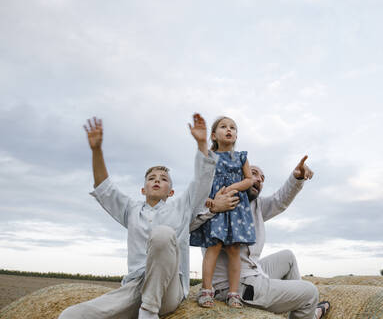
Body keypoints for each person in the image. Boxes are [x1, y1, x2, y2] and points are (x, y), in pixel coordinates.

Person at [59, 114, 218, 319]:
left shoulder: (183, 206)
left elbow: (202, 181)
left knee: (162, 234)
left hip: (168, 290)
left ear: (171, 192)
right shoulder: (131, 210)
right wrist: (97, 150)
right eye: (151, 178)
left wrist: (202, 143)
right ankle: (144, 307)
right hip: (134, 288)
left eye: (163, 179)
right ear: (143, 189)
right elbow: (104, 188)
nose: (156, 181)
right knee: (71, 315)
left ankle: (149, 311)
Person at [190, 156, 330, 319]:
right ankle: (309, 313)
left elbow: (280, 201)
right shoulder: (219, 198)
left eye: (262, 179)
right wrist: (214, 209)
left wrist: (297, 177)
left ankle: (301, 309)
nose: (258, 180)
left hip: (254, 272)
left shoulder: (256, 206)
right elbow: (188, 226)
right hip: (235, 286)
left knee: (288, 257)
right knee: (310, 292)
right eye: (253, 174)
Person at [190, 116, 256, 309]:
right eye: (224, 126)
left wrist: (232, 187)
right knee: (214, 245)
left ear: (236, 136)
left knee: (235, 249)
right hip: (217, 204)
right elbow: (202, 180)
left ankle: (233, 293)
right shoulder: (211, 157)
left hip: (235, 205)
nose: (229, 130)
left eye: (233, 128)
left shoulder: (241, 156)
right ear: (213, 135)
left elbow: (249, 179)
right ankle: (206, 290)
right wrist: (206, 199)